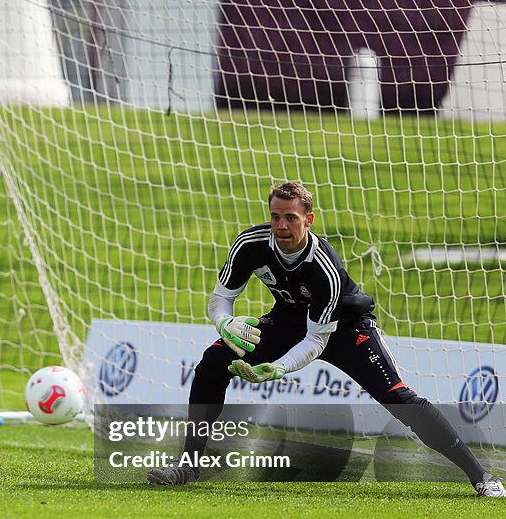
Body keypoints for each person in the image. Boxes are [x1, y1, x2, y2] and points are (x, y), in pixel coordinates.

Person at [147, 181, 504, 497]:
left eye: (290, 218)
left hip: (346, 330)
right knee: (212, 364)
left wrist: (277, 369)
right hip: (288, 322)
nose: (281, 226)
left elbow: (317, 341)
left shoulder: (323, 267)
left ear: (309, 220)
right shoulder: (250, 244)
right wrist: (224, 323)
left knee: (398, 398)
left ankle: (481, 477)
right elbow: (220, 298)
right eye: (275, 217)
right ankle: (188, 465)